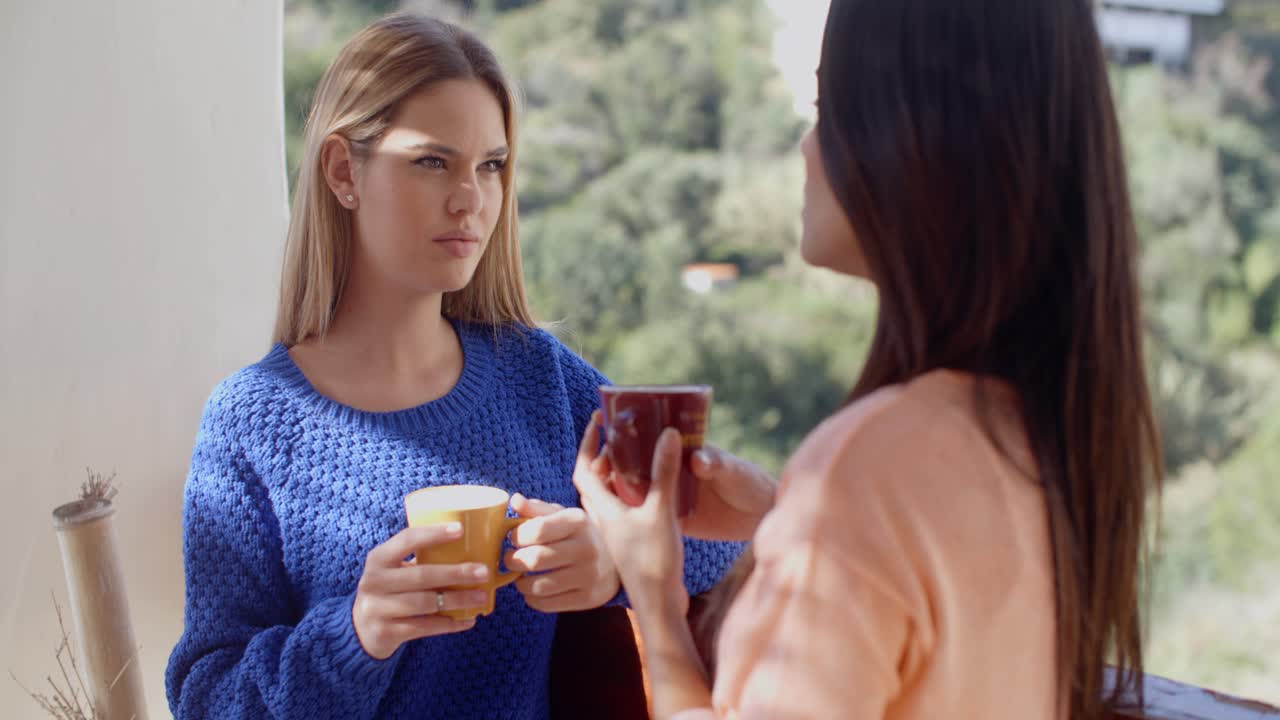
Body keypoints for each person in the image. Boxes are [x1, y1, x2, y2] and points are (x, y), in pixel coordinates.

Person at [574, 0, 1164, 718]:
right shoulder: (1039, 430)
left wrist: (656, 599)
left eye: (827, 105)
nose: (805, 147)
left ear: (923, 133)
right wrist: (783, 517)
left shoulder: (867, 468)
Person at [164, 13, 741, 719]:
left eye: (491, 166)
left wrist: (615, 562)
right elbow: (205, 696)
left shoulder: (538, 378)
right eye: (433, 161)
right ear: (344, 171)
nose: (471, 199)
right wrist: (356, 633)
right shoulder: (252, 421)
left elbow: (727, 533)